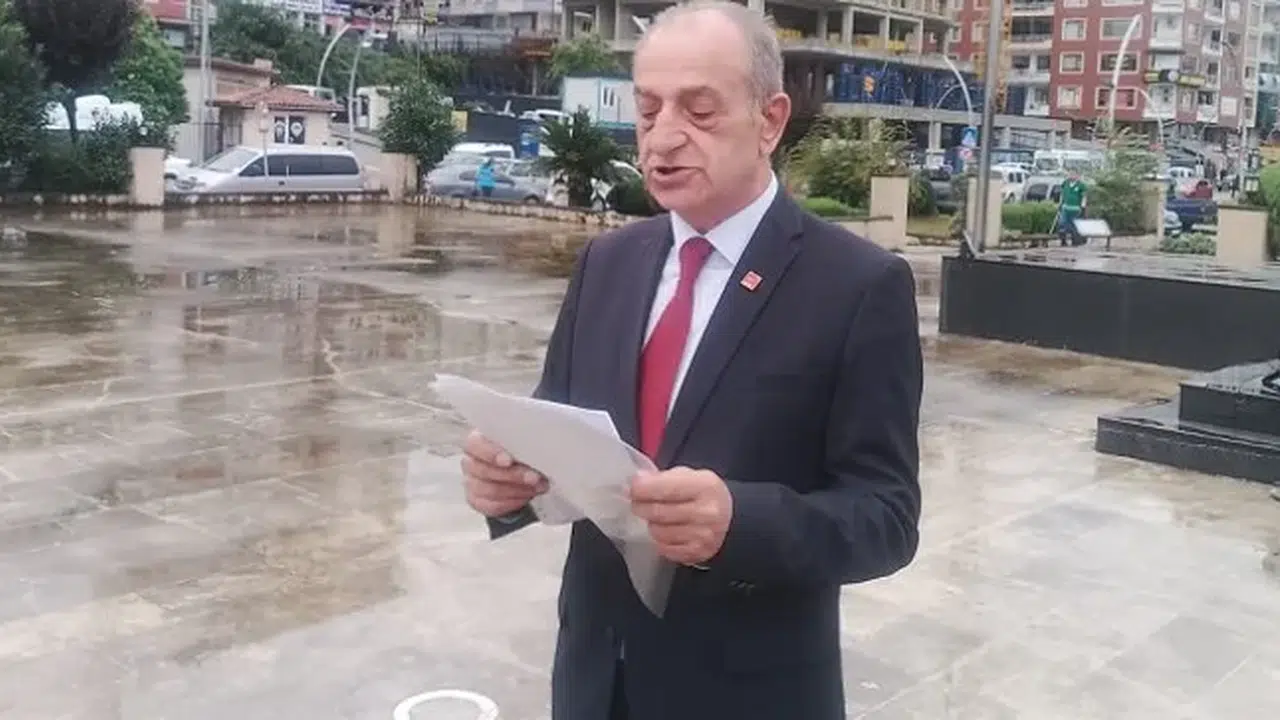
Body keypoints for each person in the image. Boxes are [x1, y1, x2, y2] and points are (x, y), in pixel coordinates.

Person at [460, 3, 922, 719]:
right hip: (595, 682)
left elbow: (886, 517)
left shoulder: (858, 286)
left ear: (769, 121)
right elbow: (558, 426)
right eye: (648, 111)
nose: (664, 137)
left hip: (748, 694)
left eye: (699, 111)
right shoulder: (607, 262)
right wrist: (510, 481)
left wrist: (740, 522)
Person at [1057, 169, 1087, 246]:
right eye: (1070, 174)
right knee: (1062, 224)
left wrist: (1083, 207)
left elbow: (1084, 197)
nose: (1071, 176)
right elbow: (1062, 194)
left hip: (1075, 209)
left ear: (1077, 175)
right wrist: (1060, 203)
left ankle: (1075, 241)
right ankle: (1063, 241)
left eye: (1073, 174)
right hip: (1065, 208)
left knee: (1074, 225)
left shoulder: (1081, 185)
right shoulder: (1065, 183)